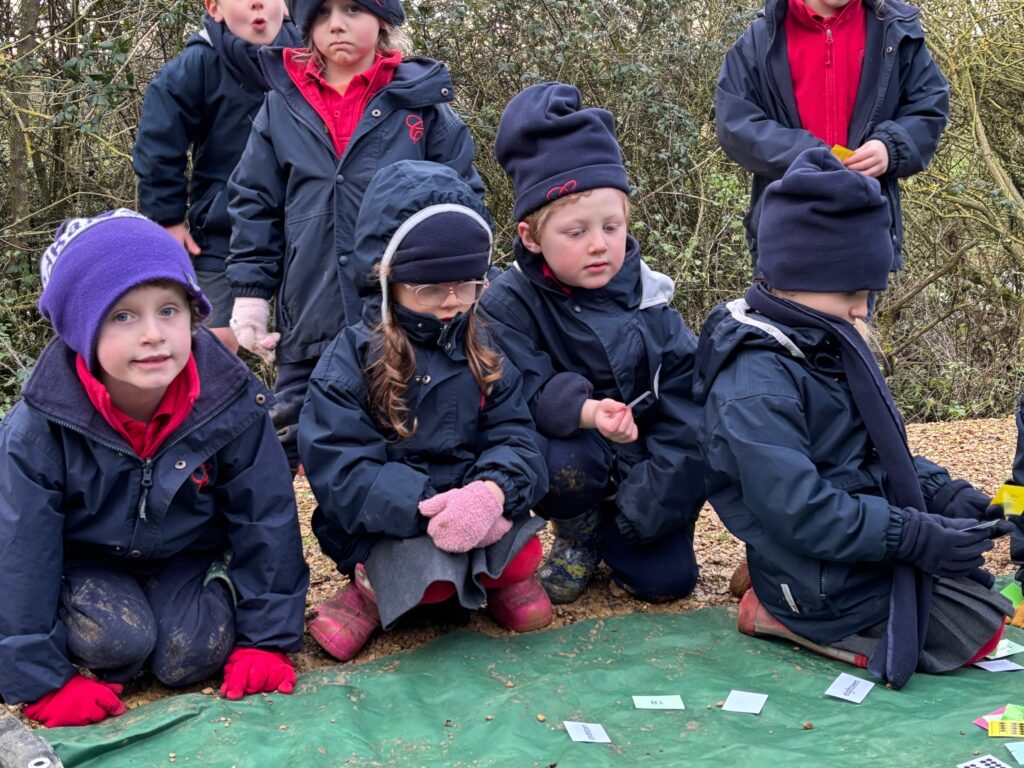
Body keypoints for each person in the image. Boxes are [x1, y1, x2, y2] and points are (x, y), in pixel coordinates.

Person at [693, 148, 1013, 689]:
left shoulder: (824, 338)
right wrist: (912, 534)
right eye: (850, 293)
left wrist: (943, 494)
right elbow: (802, 509)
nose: (863, 309)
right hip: (814, 544)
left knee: (975, 592)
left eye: (869, 292)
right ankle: (780, 613)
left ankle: (775, 581)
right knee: (976, 630)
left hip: (836, 543)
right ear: (792, 278)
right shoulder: (754, 384)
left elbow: (868, 453)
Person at [0, 210, 309, 726]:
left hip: (184, 556)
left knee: (191, 653)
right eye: (123, 316)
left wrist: (266, 642)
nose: (153, 335)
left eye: (169, 310)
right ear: (81, 327)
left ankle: (216, 591)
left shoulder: (230, 401)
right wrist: (42, 681)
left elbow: (267, 518)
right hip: (84, 562)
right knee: (120, 641)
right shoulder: (37, 427)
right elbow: (19, 548)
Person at [298, 160, 551, 661]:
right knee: (429, 578)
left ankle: (495, 581)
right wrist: (428, 505)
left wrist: (492, 492)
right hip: (392, 521)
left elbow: (518, 436)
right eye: (431, 287)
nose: (453, 302)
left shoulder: (488, 346)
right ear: (388, 280)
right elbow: (341, 470)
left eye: (468, 284)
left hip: (474, 508)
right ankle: (370, 593)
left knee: (526, 553)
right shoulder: (351, 358)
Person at [227, 0, 483, 470]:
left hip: (403, 321)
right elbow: (254, 203)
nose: (336, 25)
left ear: (382, 17)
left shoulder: (421, 104)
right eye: (321, 14)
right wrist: (250, 294)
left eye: (351, 9)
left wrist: (460, 285)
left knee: (401, 447)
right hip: (309, 317)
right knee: (276, 453)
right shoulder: (280, 105)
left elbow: (463, 199)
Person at [479, 82, 707, 606]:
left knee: (666, 583)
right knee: (562, 455)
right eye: (576, 232)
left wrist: (646, 501)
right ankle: (577, 535)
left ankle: (619, 528)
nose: (600, 244)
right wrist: (583, 412)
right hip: (572, 454)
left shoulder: (653, 300)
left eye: (611, 226)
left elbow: (690, 415)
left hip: (643, 468)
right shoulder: (506, 301)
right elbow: (517, 394)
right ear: (532, 237)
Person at [715, 0, 949, 267]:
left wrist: (891, 147)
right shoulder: (760, 37)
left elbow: (929, 106)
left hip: (863, 228)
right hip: (786, 231)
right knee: (784, 310)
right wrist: (810, 157)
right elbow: (736, 123)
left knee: (855, 311)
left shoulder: (895, 29)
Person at [134, 0, 300, 350]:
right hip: (225, 230)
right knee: (209, 347)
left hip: (304, 225)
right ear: (215, 9)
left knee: (313, 344)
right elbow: (159, 140)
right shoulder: (200, 63)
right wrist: (167, 219)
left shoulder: (310, 56)